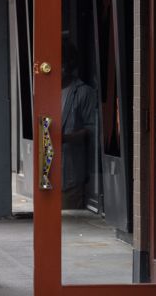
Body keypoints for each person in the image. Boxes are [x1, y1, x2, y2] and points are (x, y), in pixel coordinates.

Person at [61, 40, 96, 210]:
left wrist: (66, 138)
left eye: (61, 63)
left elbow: (92, 129)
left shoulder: (84, 92)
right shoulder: (42, 90)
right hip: (45, 174)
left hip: (70, 174)